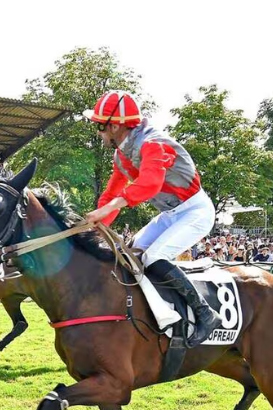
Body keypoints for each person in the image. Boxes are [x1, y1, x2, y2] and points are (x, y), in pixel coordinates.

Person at [83, 90, 221, 348]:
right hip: (171, 214)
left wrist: (109, 208)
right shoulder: (121, 156)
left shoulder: (154, 143)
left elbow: (150, 184)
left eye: (100, 126)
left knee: (154, 257)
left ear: (114, 125)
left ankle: (205, 314)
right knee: (131, 254)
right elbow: (112, 193)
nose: (98, 132)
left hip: (196, 211)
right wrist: (97, 226)